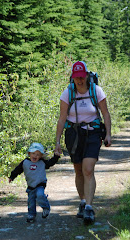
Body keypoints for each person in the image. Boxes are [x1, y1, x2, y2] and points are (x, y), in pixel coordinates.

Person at [55, 61, 111, 224]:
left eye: (81, 76)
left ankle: (89, 207)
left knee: (88, 169)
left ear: (86, 75)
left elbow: (105, 114)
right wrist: (57, 141)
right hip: (74, 134)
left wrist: (108, 134)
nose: (79, 80)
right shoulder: (67, 93)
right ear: (73, 78)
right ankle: (82, 201)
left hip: (93, 133)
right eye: (76, 77)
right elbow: (62, 118)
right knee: (78, 169)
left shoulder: (96, 91)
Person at [9, 142, 60, 223]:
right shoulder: (25, 162)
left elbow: (50, 163)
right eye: (33, 153)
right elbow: (18, 169)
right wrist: (12, 176)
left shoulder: (42, 162)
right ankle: (31, 215)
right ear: (29, 153)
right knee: (31, 201)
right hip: (31, 185)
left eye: (38, 154)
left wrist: (56, 156)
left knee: (40, 195)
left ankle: (46, 207)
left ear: (41, 156)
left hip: (40, 184)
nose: (35, 156)